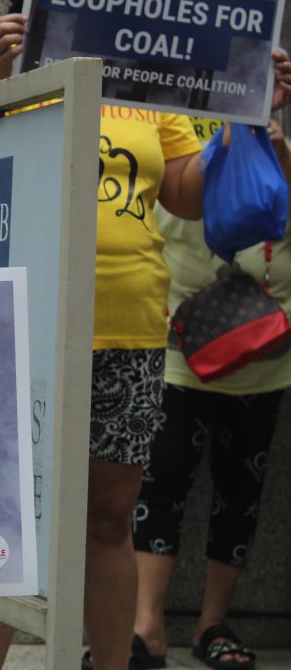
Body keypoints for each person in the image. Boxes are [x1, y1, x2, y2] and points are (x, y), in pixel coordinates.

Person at [0, 0, 211, 670]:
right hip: (22, 323)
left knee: (110, 516)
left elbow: (185, 193)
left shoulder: (147, 66)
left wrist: (240, 127)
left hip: (128, 326)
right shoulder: (2, 56)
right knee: (3, 512)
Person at [130, 114, 291, 670]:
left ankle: (212, 623)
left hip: (263, 343)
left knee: (241, 487)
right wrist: (222, 143)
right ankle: (145, 625)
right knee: (160, 480)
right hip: (177, 334)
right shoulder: (171, 122)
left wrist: (276, 150)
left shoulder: (274, 130)